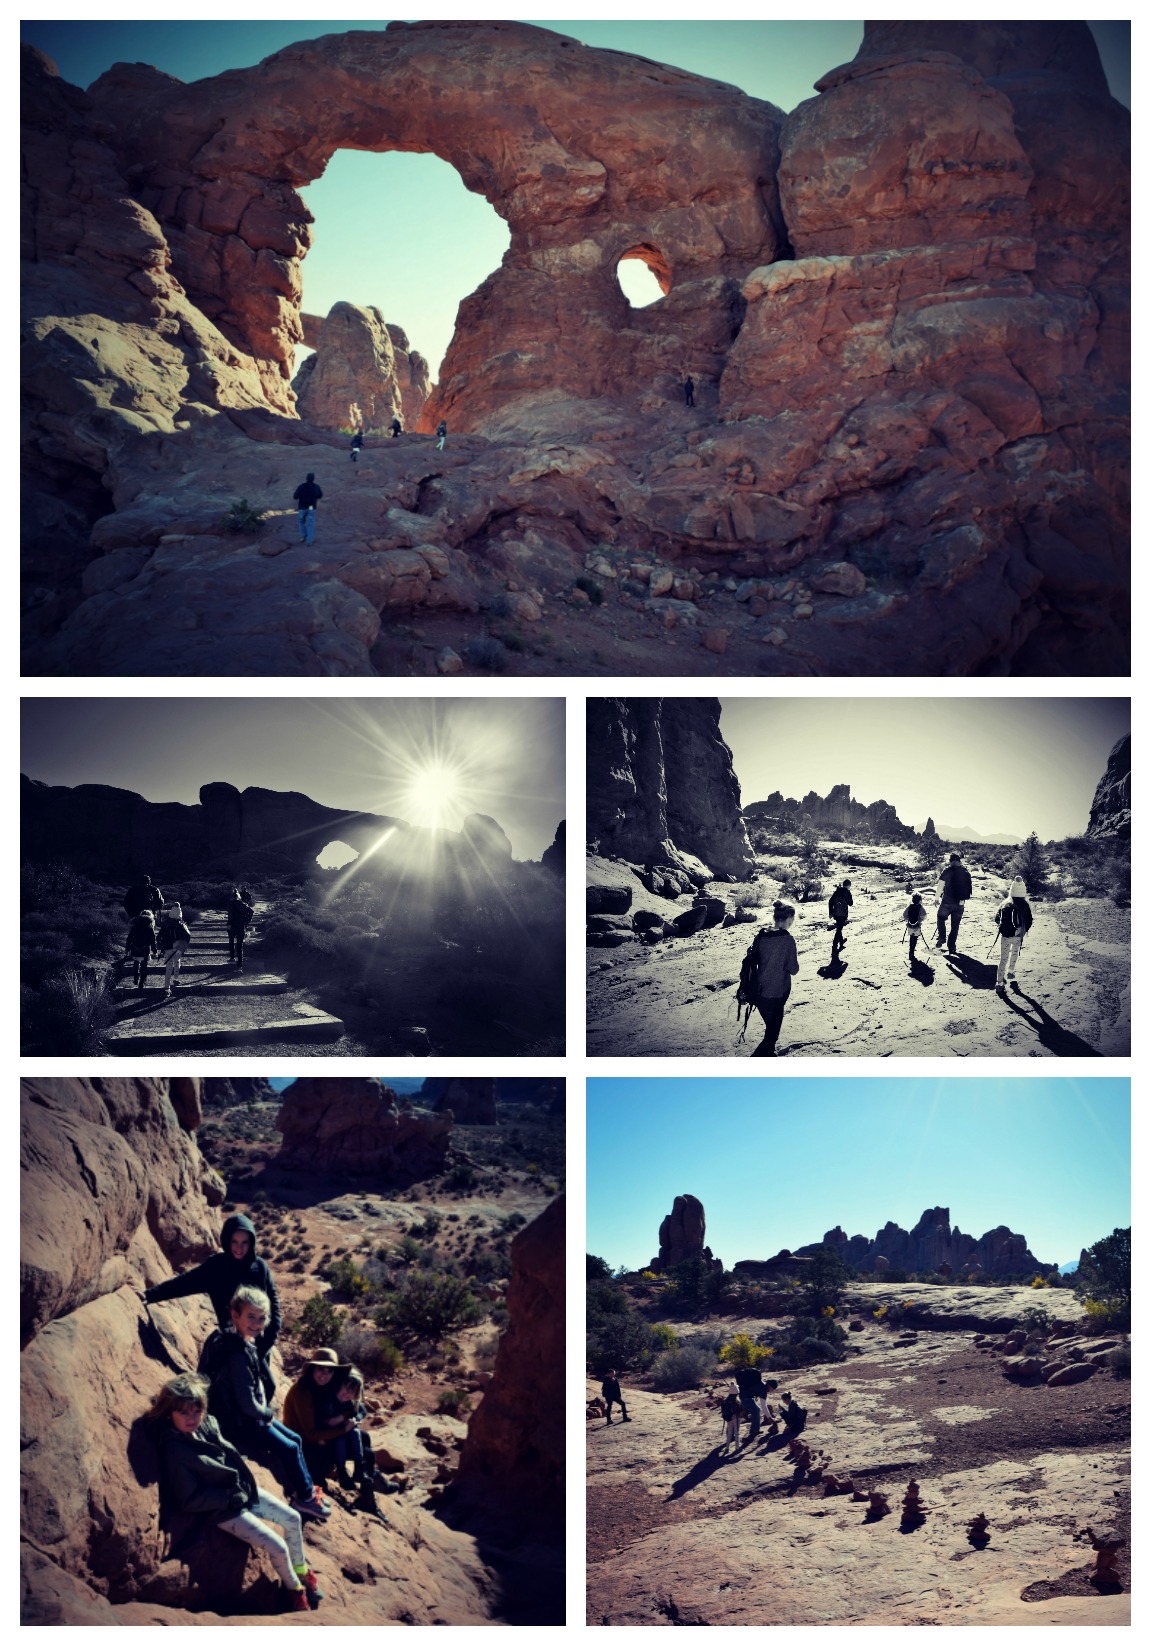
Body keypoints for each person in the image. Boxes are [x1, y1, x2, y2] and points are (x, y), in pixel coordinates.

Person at [146, 1372, 322, 1613]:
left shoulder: (207, 1424)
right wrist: (228, 1497)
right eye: (183, 1412)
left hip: (242, 1490)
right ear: (169, 1412)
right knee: (278, 1546)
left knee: (293, 1518)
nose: (192, 1418)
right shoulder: (176, 1451)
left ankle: (301, 1572)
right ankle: (294, 1590)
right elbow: (188, 1500)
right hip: (224, 1510)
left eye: (197, 1410)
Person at [208, 1286, 331, 1522]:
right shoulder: (237, 1355)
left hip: (245, 1415)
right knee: (290, 1448)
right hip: (239, 1421)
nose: (256, 1323)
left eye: (261, 1317)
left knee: (295, 1440)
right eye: (250, 1317)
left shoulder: (240, 1341)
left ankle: (305, 1488)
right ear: (235, 1315)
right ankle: (305, 1499)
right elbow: (246, 1404)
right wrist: (267, 1414)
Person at [144, 1214, 282, 1360]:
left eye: (244, 1243)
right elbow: (183, 1284)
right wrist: (150, 1295)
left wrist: (267, 1342)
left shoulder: (260, 1267)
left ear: (251, 1242)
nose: (239, 1248)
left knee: (267, 1383)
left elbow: (273, 1304)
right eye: (234, 1242)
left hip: (258, 1341)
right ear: (227, 1240)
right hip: (230, 1343)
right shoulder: (216, 1266)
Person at [739, 901, 800, 1057]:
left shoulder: (761, 934)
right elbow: (794, 969)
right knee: (772, 1035)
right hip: (777, 994)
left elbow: (754, 960)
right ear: (788, 918)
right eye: (792, 918)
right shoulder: (787, 940)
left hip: (758, 992)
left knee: (770, 1029)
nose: (792, 922)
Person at [994, 875, 1033, 994]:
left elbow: (996, 918)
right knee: (1015, 953)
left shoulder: (1005, 903)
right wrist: (1022, 931)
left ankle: (999, 983)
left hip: (1005, 936)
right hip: (1018, 936)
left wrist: (1004, 929)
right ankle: (1010, 972)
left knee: (1003, 958)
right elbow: (1029, 920)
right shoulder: (1025, 905)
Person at [935, 853, 973, 953]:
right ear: (959, 861)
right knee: (955, 926)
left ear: (950, 861)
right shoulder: (965, 871)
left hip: (947, 902)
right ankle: (952, 947)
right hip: (960, 903)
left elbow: (940, 886)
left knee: (940, 918)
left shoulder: (947, 870)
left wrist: (936, 899)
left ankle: (942, 937)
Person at [157, 902, 192, 997]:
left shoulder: (165, 925)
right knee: (177, 962)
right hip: (177, 948)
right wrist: (182, 947)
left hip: (167, 948)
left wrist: (160, 946)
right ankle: (176, 979)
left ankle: (166, 988)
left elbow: (158, 937)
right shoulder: (180, 925)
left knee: (168, 968)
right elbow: (188, 935)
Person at [125, 908, 159, 990]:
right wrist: (154, 950)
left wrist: (127, 948)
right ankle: (142, 981)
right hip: (145, 948)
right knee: (144, 965)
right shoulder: (149, 927)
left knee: (136, 963)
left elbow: (129, 938)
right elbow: (152, 940)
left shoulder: (134, 926)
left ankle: (135, 978)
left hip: (135, 947)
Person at [226, 888, 255, 971]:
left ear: (232, 897)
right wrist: (246, 921)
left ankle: (232, 958)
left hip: (233, 925)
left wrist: (229, 924)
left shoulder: (231, 904)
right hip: (241, 925)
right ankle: (239, 966)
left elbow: (230, 916)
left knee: (231, 940)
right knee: (240, 946)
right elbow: (251, 911)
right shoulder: (243, 904)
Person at [733, 1364, 763, 1440]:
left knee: (739, 1415)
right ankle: (754, 1430)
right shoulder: (754, 1379)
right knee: (756, 1411)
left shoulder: (744, 1381)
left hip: (743, 1397)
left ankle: (731, 1435)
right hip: (746, 1398)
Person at [293, 473, 322, 544]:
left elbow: (295, 496)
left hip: (302, 507)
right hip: (311, 507)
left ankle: (303, 536)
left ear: (306, 478)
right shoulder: (316, 487)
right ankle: (309, 541)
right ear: (313, 479)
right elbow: (320, 495)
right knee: (311, 524)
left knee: (301, 522)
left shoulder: (301, 486)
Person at [828, 879, 853, 958]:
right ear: (848, 885)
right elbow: (851, 903)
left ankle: (841, 942)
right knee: (839, 929)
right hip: (843, 914)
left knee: (839, 927)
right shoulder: (847, 892)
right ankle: (834, 945)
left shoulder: (837, 891)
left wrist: (831, 912)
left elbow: (830, 901)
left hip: (836, 913)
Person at [903, 892, 929, 963]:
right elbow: (924, 915)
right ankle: (912, 951)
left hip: (910, 925)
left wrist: (908, 920)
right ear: (920, 900)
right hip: (917, 925)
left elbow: (904, 914)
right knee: (915, 937)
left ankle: (911, 951)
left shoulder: (909, 906)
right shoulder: (920, 907)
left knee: (911, 937)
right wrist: (920, 921)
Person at [720, 1383, 741, 1453]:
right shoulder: (736, 1401)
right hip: (736, 1418)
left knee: (729, 1433)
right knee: (737, 1433)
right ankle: (737, 1447)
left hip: (728, 1419)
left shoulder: (726, 1401)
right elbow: (740, 1410)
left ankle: (727, 1448)